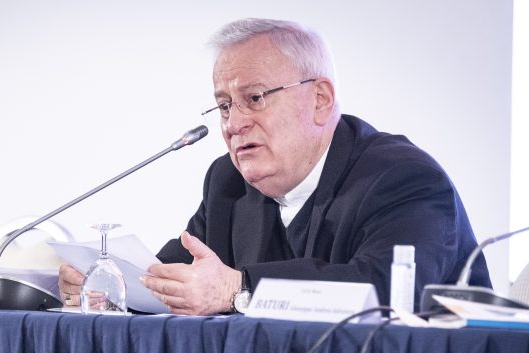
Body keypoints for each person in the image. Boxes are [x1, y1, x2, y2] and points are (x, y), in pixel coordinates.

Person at [59, 18, 490, 315]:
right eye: (224, 106)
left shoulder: (403, 178)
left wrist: (238, 289)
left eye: (255, 98)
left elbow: (384, 291)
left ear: (320, 99)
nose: (234, 123)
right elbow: (181, 275)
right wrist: (111, 286)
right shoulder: (228, 182)